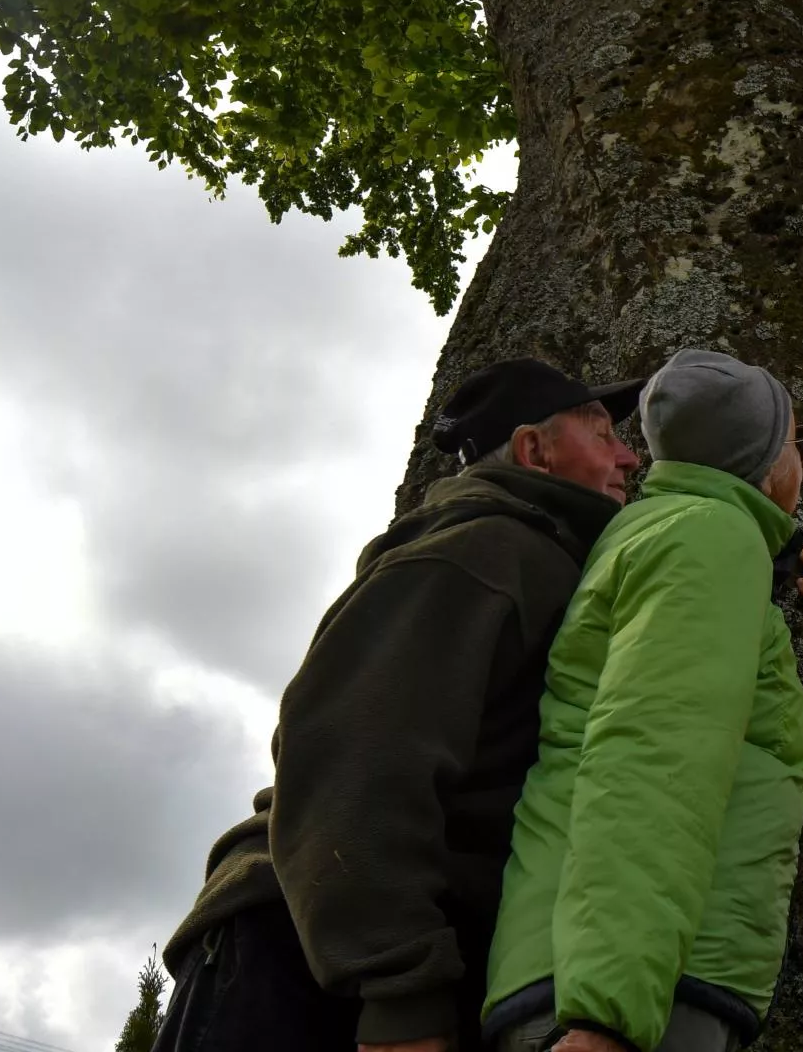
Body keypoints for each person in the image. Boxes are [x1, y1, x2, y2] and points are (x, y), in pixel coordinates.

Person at [155, 358, 649, 1052]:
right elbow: (353, 761)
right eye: (603, 435)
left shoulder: (541, 557)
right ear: (536, 450)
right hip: (309, 965)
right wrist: (401, 994)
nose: (630, 455)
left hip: (364, 957)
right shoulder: (482, 552)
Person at [482, 349, 803, 1052]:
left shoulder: (662, 529)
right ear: (763, 465)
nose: (802, 461)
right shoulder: (710, 536)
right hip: (628, 992)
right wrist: (608, 1013)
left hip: (597, 970)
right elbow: (653, 758)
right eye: (793, 441)